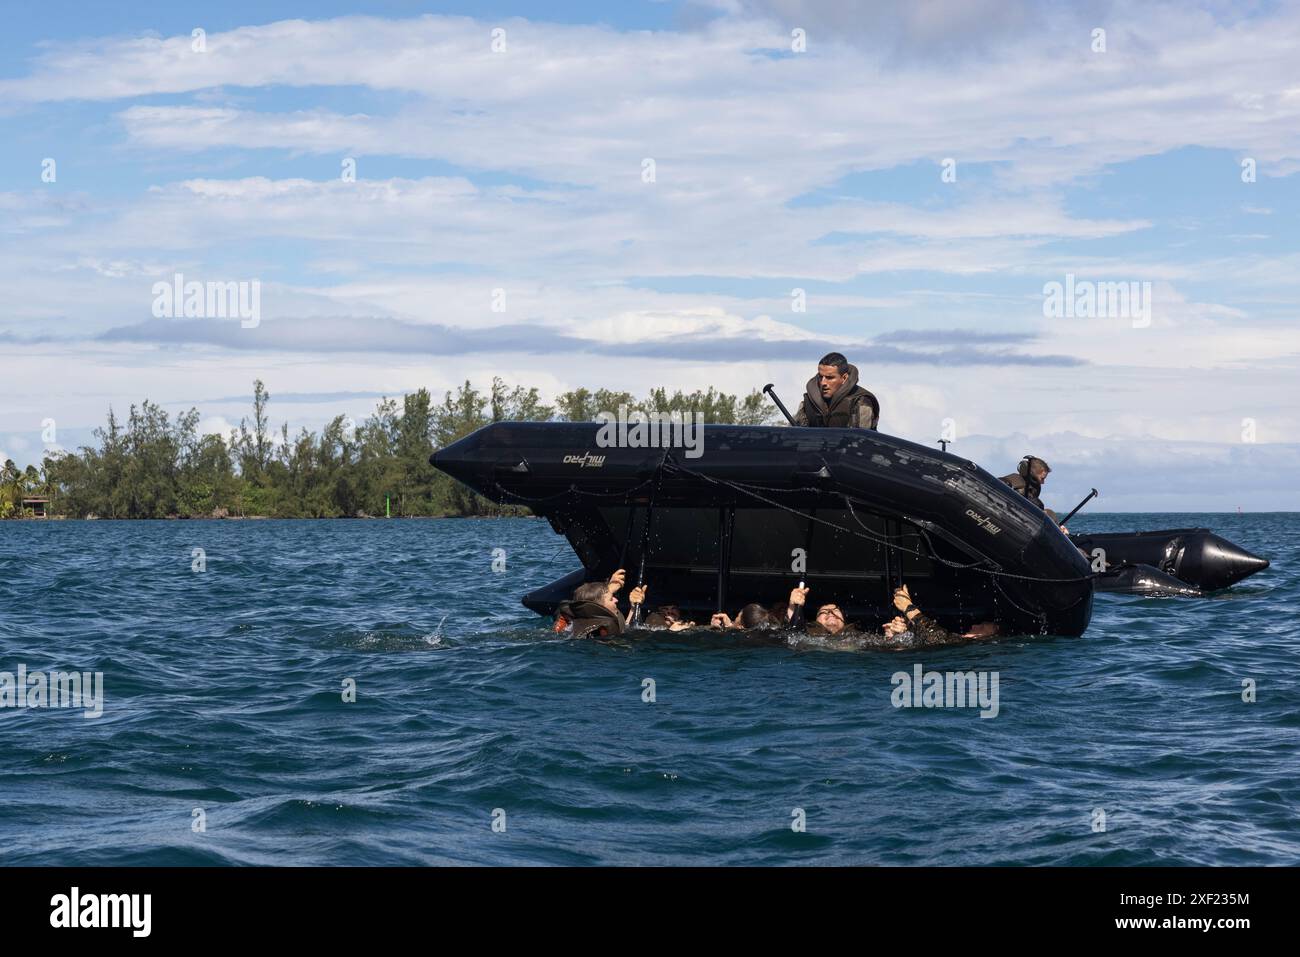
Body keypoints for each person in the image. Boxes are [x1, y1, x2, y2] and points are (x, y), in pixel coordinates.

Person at [794, 352, 880, 430]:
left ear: (844, 378)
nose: (823, 382)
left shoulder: (861, 401)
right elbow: (797, 436)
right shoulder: (808, 402)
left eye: (830, 378)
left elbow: (861, 440)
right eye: (820, 377)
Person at [553, 568, 647, 638]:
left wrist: (633, 608)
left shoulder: (573, 624)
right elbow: (625, 633)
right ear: (599, 607)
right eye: (611, 599)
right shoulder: (603, 631)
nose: (616, 600)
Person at [999, 455, 1069, 531]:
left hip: (1023, 521)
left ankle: (1059, 530)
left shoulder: (1035, 488)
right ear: (1032, 474)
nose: (1043, 482)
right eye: (1042, 478)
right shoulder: (1013, 479)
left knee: (1050, 513)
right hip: (1006, 516)